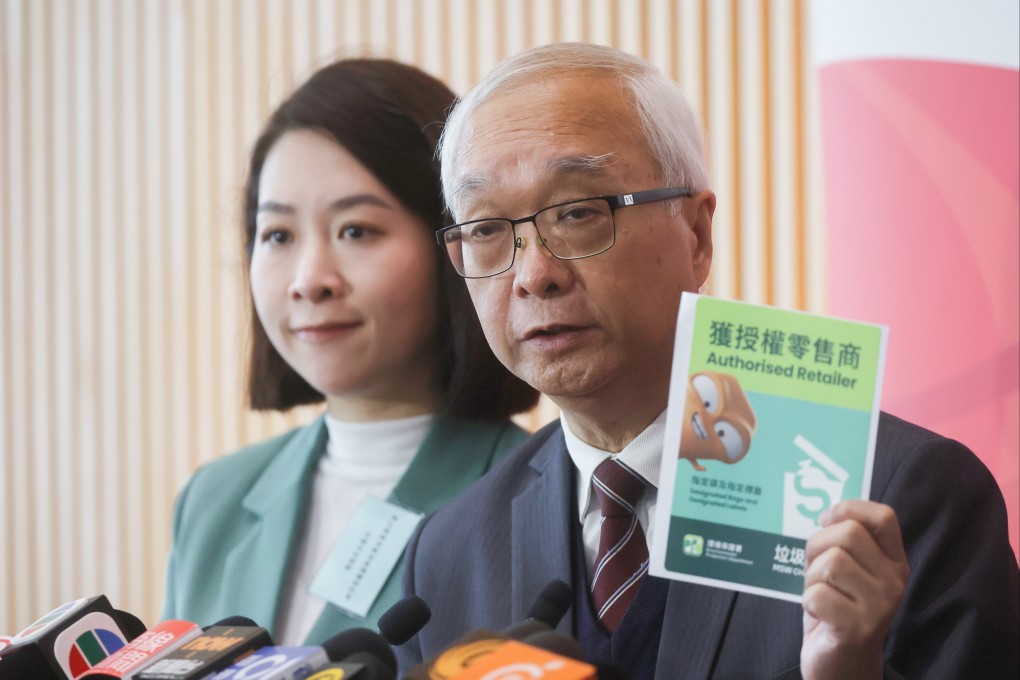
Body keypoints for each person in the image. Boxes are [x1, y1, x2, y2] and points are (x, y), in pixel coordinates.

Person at [397, 43, 1019, 679]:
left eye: (578, 213)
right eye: (486, 229)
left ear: (695, 234)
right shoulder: (448, 553)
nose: (534, 275)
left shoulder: (902, 494)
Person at [162, 58, 538, 645]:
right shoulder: (213, 501)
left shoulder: (542, 500)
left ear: (455, 242)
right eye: (278, 235)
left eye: (356, 230)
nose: (310, 280)